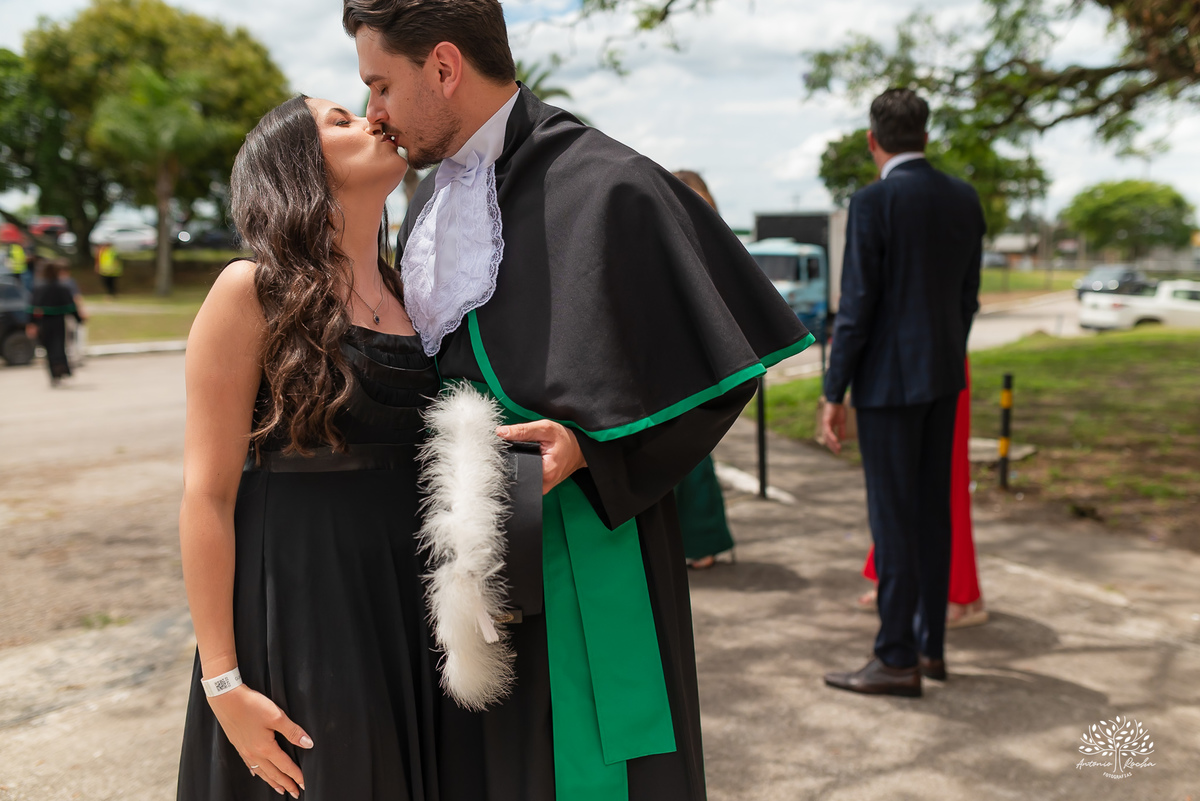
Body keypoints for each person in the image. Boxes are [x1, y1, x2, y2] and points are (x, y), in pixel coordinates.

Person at [345, 1, 813, 799]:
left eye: (381, 84)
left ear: (446, 68)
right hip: (458, 561)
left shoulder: (610, 183)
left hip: (580, 546)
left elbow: (720, 367)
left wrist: (595, 449)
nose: (372, 112)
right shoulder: (423, 204)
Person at [176, 94, 437, 799]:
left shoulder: (420, 293)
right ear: (299, 166)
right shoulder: (250, 291)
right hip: (300, 605)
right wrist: (223, 682)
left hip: (412, 604)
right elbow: (207, 494)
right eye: (341, 121)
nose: (375, 118)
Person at [820, 88, 985, 698]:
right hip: (944, 377)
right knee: (932, 514)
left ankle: (894, 658)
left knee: (892, 522)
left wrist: (833, 390)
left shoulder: (873, 201)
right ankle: (930, 647)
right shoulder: (965, 199)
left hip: (889, 386)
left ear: (874, 141)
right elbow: (968, 295)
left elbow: (857, 307)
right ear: (925, 134)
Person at [857, 358, 988, 628]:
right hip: (899, 366)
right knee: (896, 483)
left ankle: (960, 593)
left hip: (935, 361)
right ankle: (891, 578)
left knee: (946, 479)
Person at [671, 170, 736, 569]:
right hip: (682, 356)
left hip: (697, 358)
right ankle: (697, 541)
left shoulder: (709, 246)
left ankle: (701, 540)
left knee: (694, 455)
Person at [26, 260, 86, 386]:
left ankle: (54, 373)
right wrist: (79, 319)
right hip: (58, 321)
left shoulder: (39, 287)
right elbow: (71, 307)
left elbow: (33, 307)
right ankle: (61, 370)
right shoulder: (61, 287)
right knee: (59, 346)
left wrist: (32, 323)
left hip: (44, 322)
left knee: (49, 347)